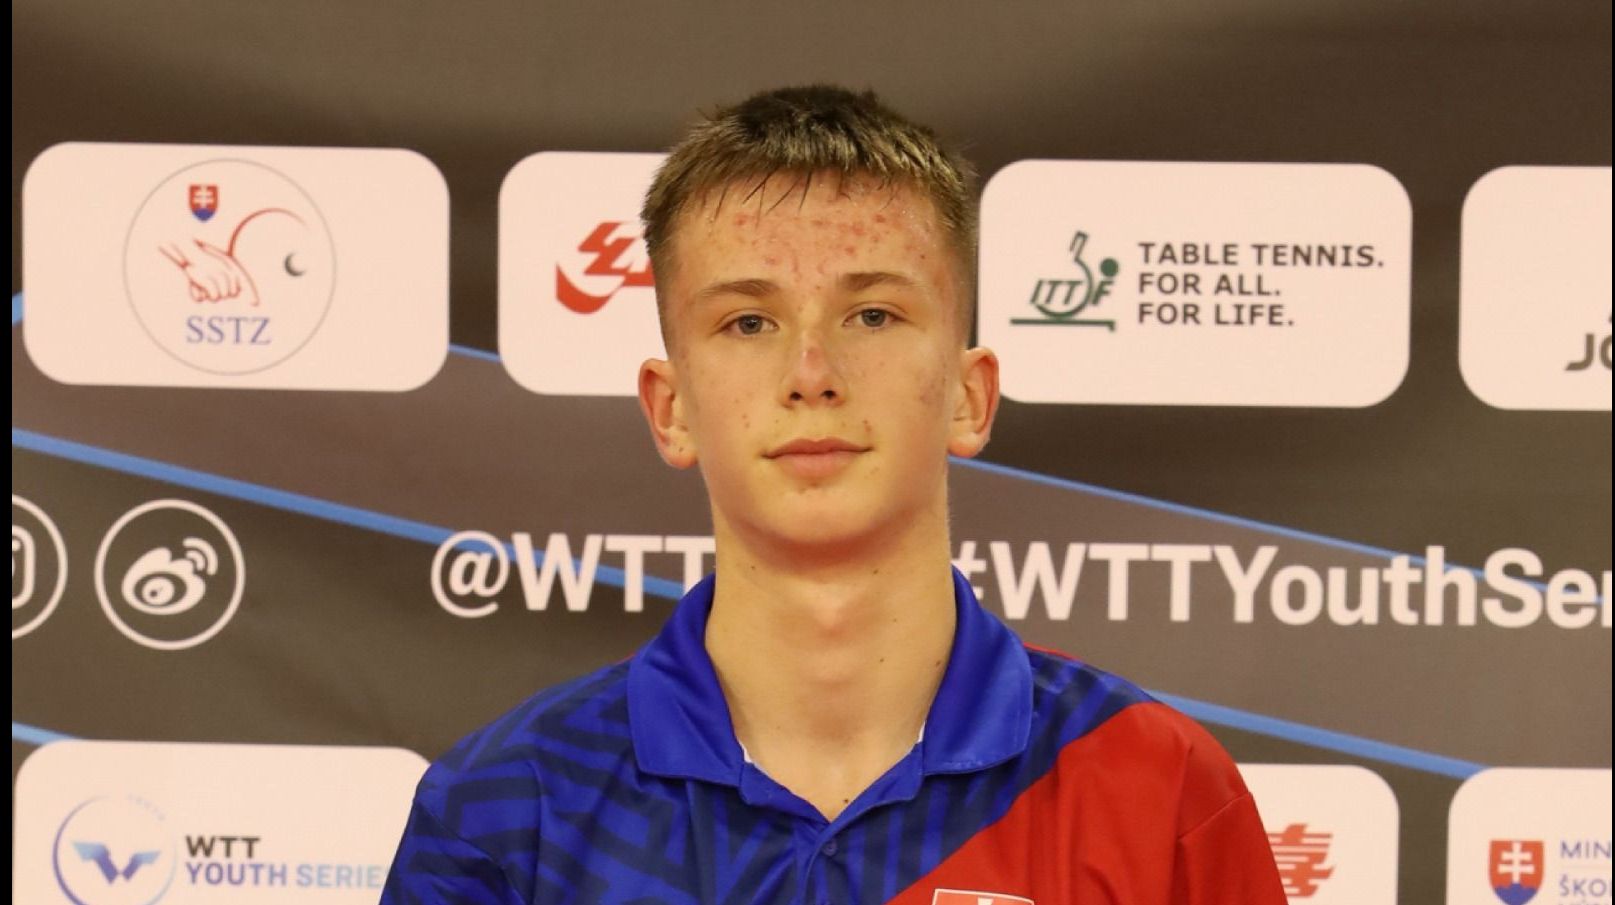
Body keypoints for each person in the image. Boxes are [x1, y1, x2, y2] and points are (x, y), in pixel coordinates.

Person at [382, 85, 1287, 905]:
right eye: (748, 321)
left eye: (872, 314)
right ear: (671, 409)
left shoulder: (1155, 785)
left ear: (969, 396)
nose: (811, 372)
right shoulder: (508, 811)